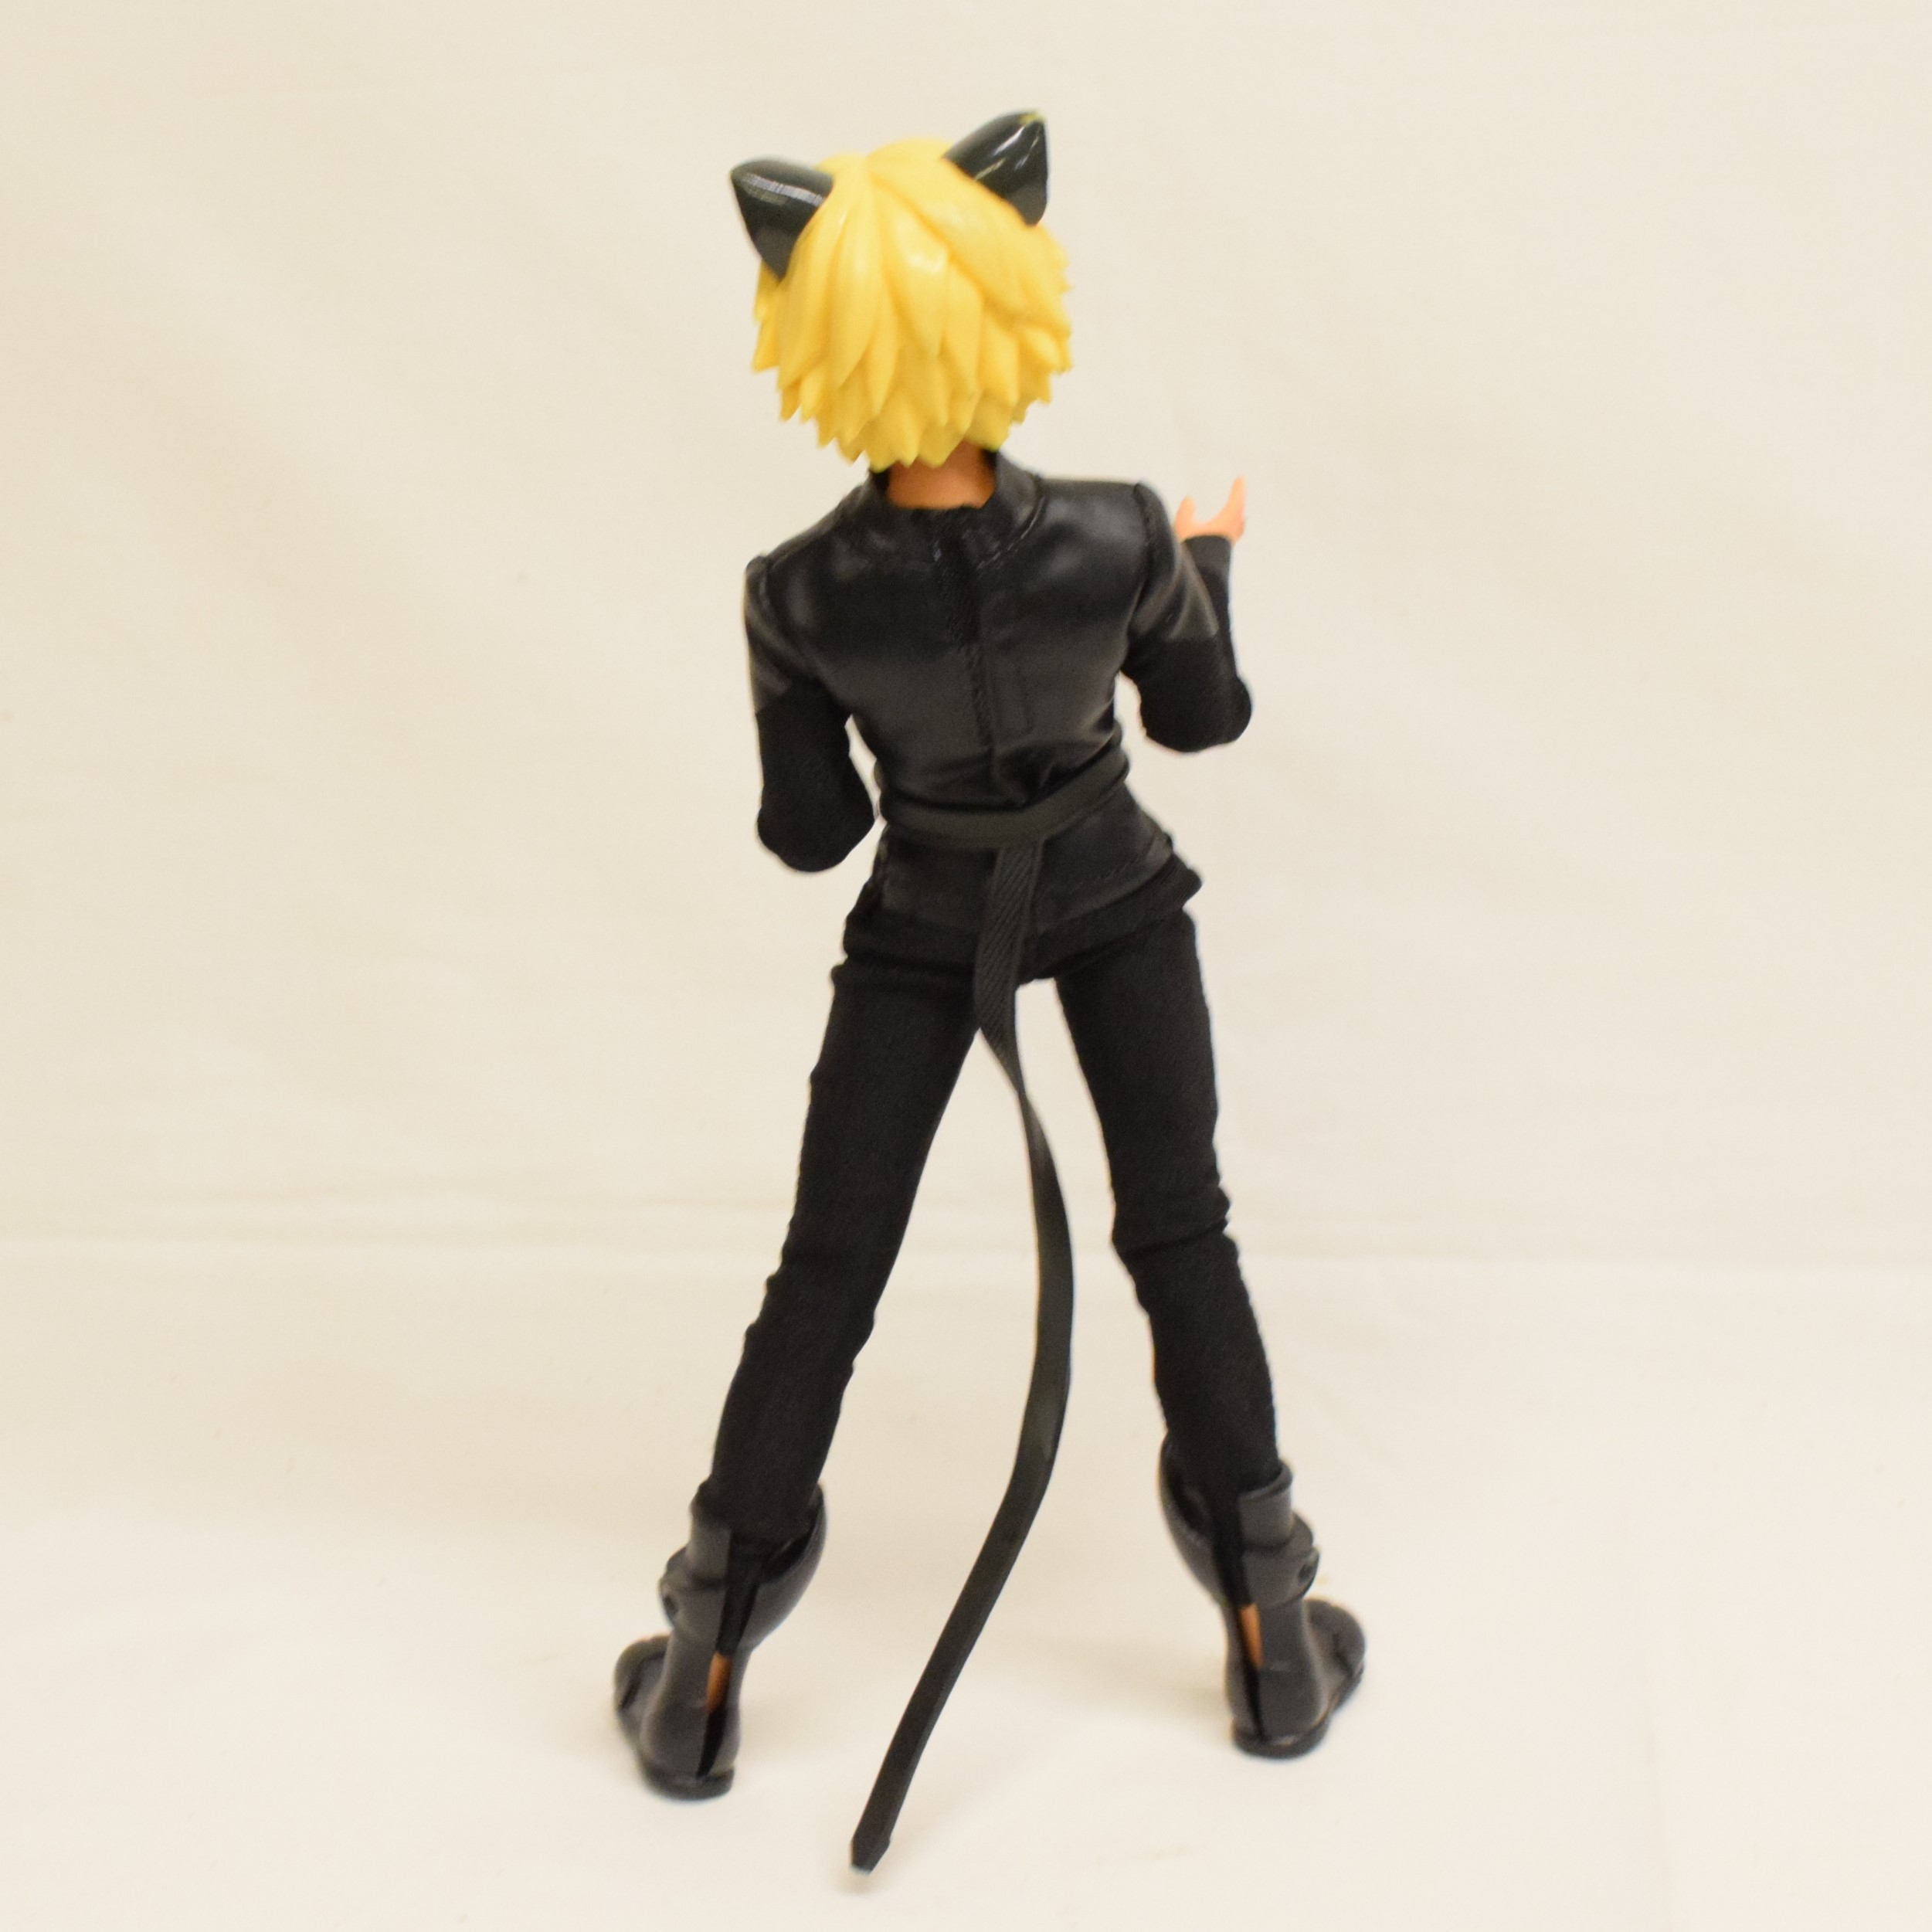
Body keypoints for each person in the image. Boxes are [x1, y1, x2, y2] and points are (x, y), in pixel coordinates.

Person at [613, 113, 1363, 1866]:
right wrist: (1206, 563)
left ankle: (702, 1670)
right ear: (1008, 301)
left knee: (827, 1275)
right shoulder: (1116, 532)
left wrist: (855, 722)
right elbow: (1203, 720)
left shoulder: (798, 591)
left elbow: (811, 835)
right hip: (1119, 907)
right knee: (1181, 1235)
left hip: (921, 930)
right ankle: (1273, 1641)